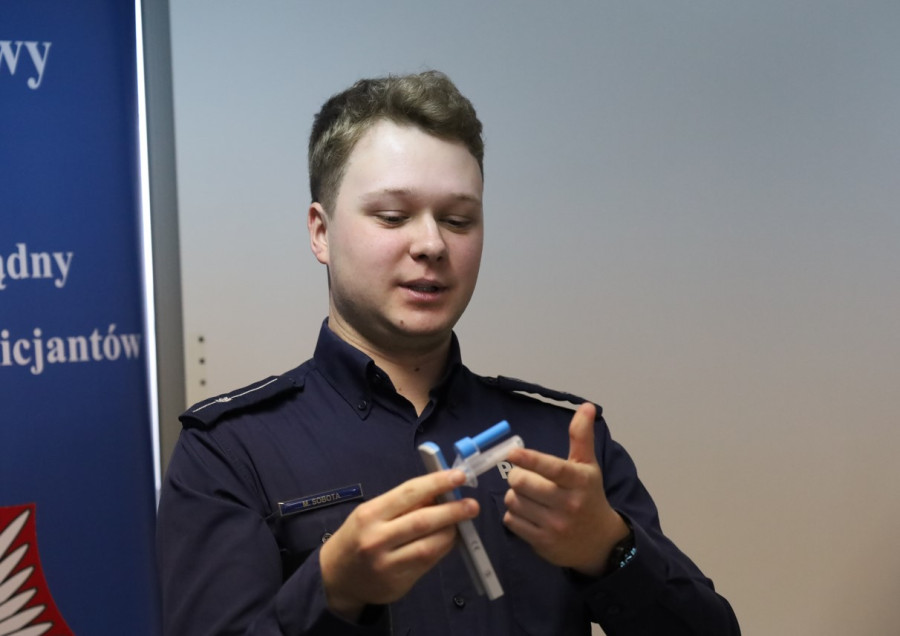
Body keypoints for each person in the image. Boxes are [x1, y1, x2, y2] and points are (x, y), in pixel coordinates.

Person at [157, 70, 740, 635]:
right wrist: (332, 591)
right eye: (393, 217)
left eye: (458, 220)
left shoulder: (559, 440)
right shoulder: (230, 450)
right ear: (321, 232)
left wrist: (612, 550)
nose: (432, 244)